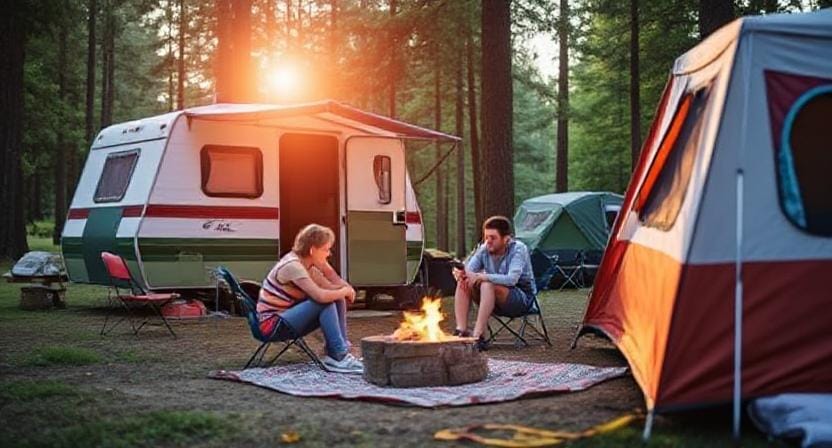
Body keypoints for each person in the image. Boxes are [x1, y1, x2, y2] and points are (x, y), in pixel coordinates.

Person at [257, 224, 363, 374]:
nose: (329, 254)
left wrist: (343, 287)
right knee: (324, 303)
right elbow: (320, 295)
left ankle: (339, 353)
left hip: (287, 319)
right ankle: (339, 355)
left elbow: (332, 284)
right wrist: (344, 291)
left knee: (336, 298)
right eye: (326, 249)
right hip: (271, 325)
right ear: (313, 250)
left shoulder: (308, 266)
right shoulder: (293, 266)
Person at [452, 216, 537, 350]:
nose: (488, 241)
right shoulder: (484, 248)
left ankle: (478, 336)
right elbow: (470, 270)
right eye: (486, 237)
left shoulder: (518, 249)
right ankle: (461, 331)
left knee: (486, 283)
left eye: (493, 237)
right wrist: (461, 273)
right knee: (464, 281)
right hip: (491, 299)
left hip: (520, 299)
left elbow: (512, 279)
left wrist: (483, 276)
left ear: (506, 239)